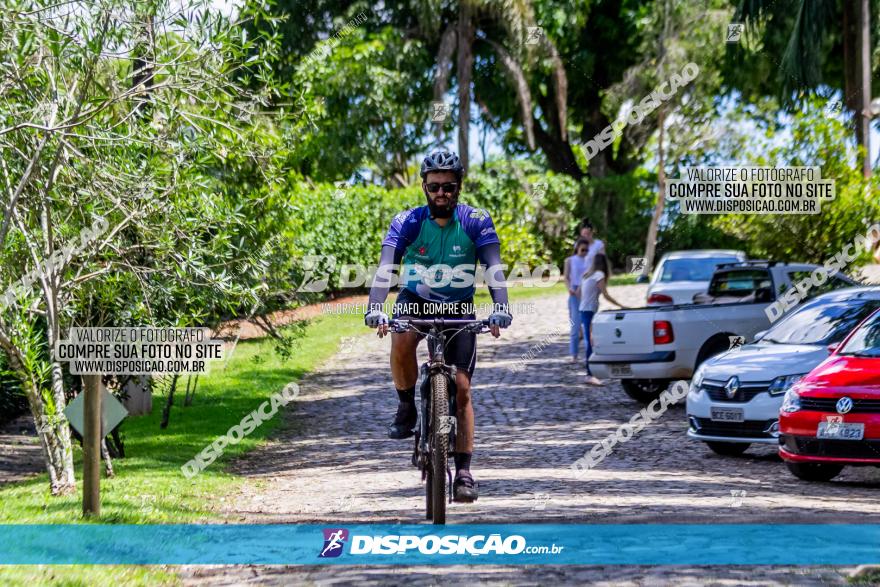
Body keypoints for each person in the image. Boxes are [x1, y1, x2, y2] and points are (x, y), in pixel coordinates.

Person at [364, 149, 512, 503]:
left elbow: (493, 267)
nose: (441, 194)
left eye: (448, 187)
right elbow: (386, 269)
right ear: (424, 187)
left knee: (462, 387)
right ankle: (406, 405)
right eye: (434, 187)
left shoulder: (476, 220)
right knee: (400, 339)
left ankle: (463, 471)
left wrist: (501, 306)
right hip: (415, 299)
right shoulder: (408, 222)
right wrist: (374, 307)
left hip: (459, 306)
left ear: (459, 187)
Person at [577, 253, 627, 385]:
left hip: (583, 310)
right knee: (590, 342)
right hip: (589, 311)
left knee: (591, 341)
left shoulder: (587, 275)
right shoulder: (599, 274)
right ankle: (589, 374)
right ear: (604, 264)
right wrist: (621, 305)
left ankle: (592, 371)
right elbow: (605, 294)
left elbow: (579, 293)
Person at [564, 239, 590, 363]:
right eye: (582, 249)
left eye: (587, 250)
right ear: (577, 248)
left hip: (586, 291)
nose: (585, 252)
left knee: (587, 325)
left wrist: (581, 288)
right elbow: (566, 277)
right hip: (574, 293)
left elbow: (588, 276)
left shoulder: (590, 260)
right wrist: (570, 289)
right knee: (574, 325)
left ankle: (589, 354)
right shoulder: (570, 261)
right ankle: (574, 354)